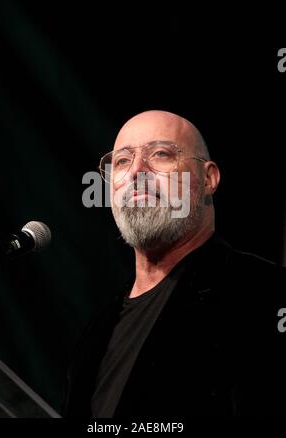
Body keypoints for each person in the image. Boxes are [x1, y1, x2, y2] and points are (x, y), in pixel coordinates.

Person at [64, 110, 286, 418]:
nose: (137, 172)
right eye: (122, 161)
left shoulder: (264, 293)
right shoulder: (95, 332)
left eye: (160, 154)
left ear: (208, 179)